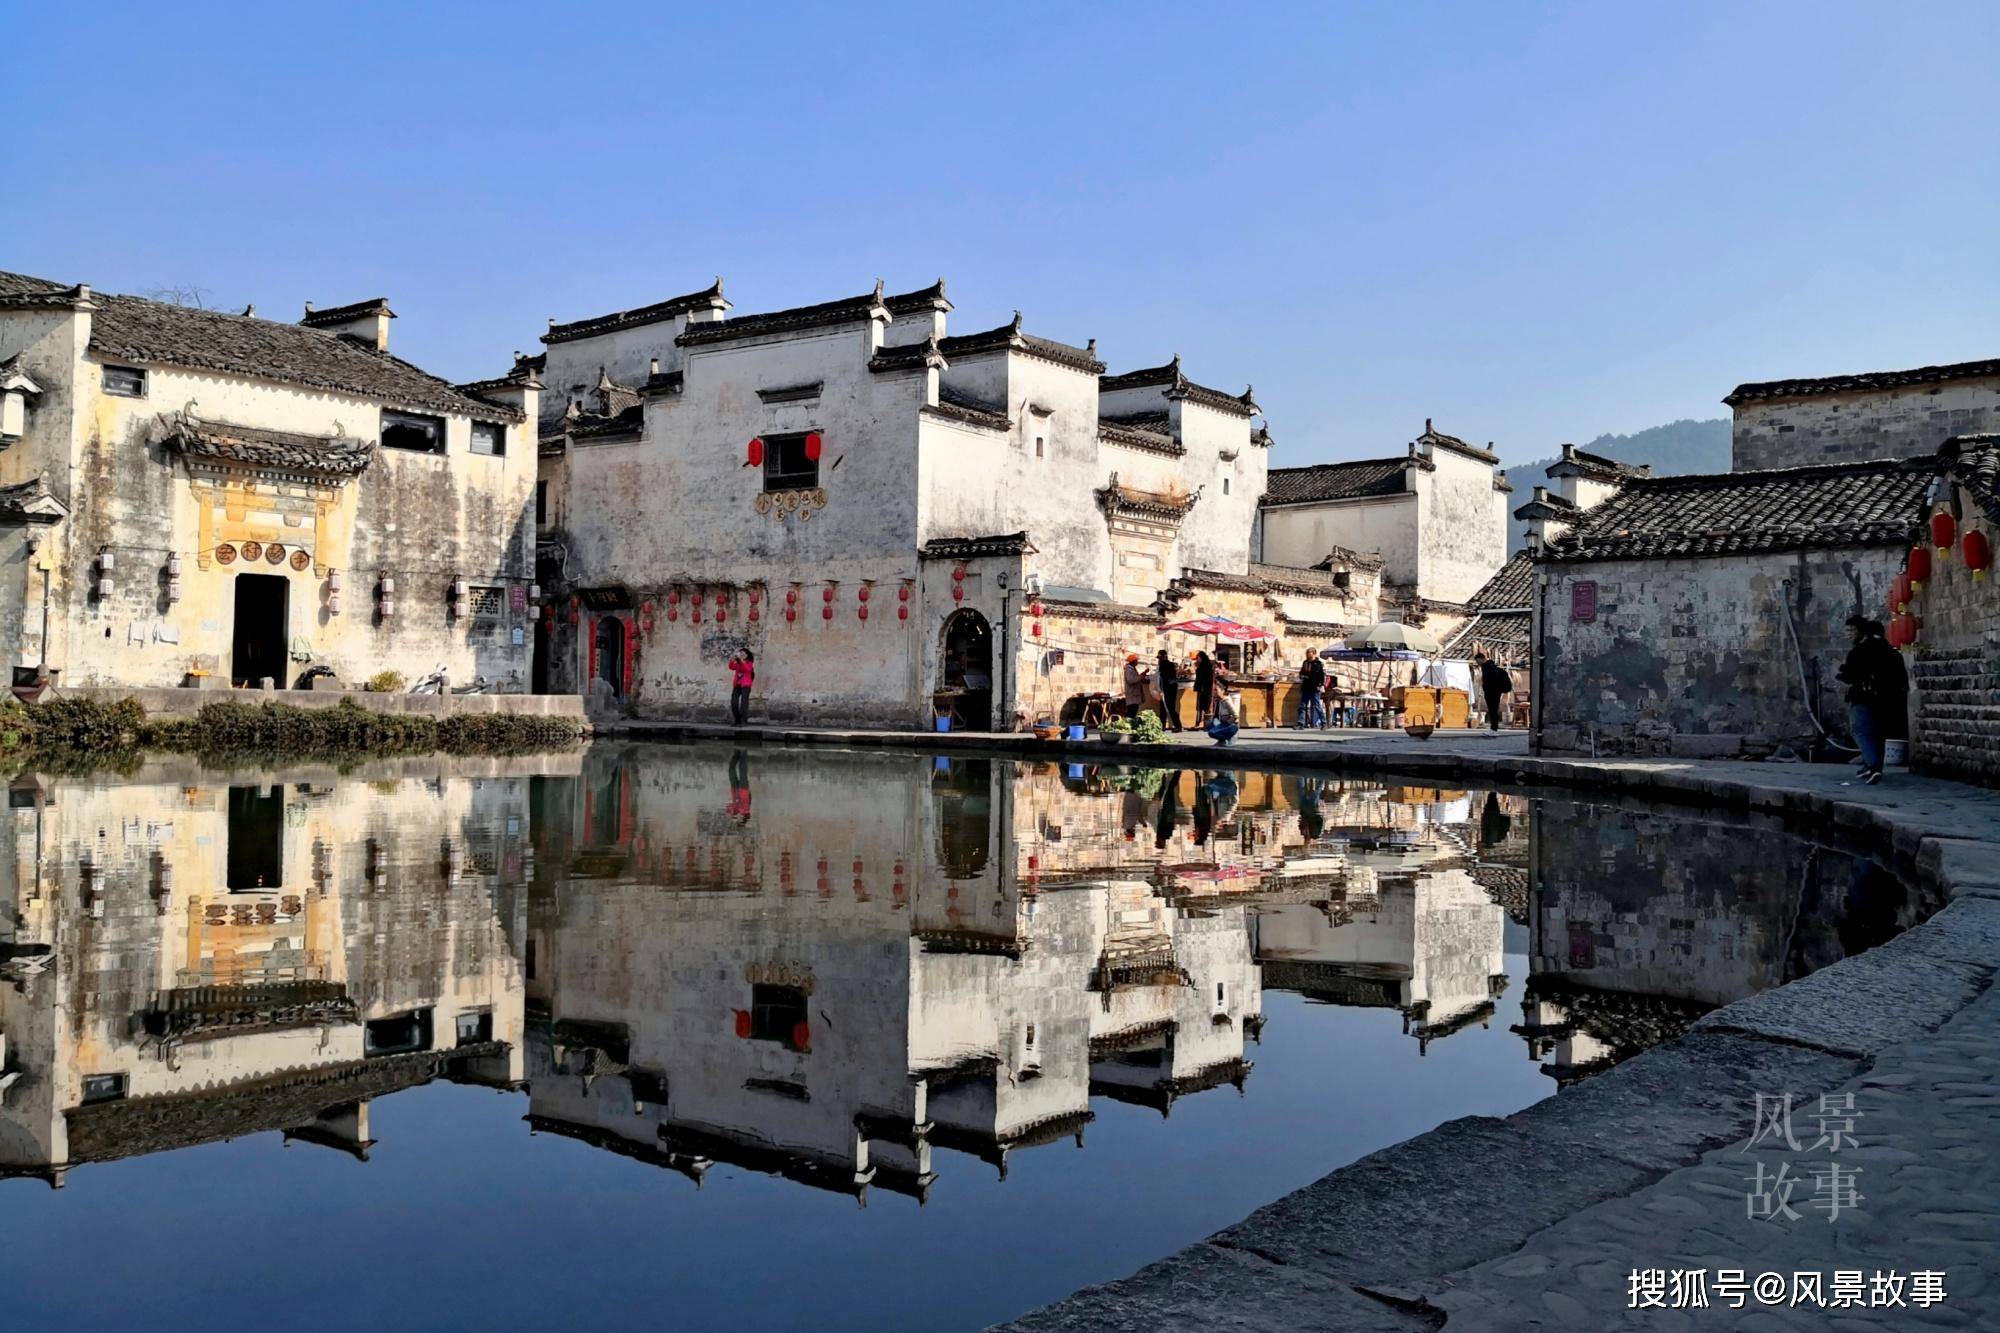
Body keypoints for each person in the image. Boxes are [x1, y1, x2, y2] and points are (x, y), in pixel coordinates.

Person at [1836, 615, 1906, 784]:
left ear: (1863, 632)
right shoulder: (1892, 652)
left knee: (1859, 730)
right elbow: (1901, 678)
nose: (1849, 634)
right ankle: (1873, 766)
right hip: (1887, 699)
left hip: (1864, 696)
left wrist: (1840, 673)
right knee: (1877, 733)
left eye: (1852, 630)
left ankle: (1873, 766)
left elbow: (1852, 674)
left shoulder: (1861, 650)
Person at [1476, 652, 1513, 732]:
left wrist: (1488, 688)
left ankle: (1494, 729)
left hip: (1492, 692)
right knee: (1493, 710)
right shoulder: (1491, 666)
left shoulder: (1487, 667)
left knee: (1493, 710)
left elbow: (1489, 680)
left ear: (1482, 659)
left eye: (1478, 661)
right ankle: (1493, 729)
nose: (1477, 663)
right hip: (1495, 692)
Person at [1295, 648, 1326, 728]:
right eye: (1307, 653)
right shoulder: (1305, 663)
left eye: (1309, 653)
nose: (1307, 654)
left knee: (1317, 706)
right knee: (1302, 706)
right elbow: (1302, 672)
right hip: (1306, 687)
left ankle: (1324, 723)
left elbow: (1320, 676)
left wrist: (1321, 685)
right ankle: (1301, 723)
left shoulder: (1318, 663)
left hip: (1314, 688)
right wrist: (1302, 676)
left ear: (1313, 653)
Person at [1156, 649, 1183, 731]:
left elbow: (1165, 679)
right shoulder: (1169, 665)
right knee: (1165, 709)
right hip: (1169, 689)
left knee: (1169, 708)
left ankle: (1176, 726)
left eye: (1159, 658)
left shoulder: (1164, 665)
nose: (1158, 660)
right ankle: (1163, 726)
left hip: (1167, 690)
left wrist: (1163, 690)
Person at [727, 649, 755, 726]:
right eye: (740, 653)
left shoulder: (749, 662)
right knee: (734, 702)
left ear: (747, 655)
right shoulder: (738, 663)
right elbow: (731, 667)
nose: (741, 654)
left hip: (746, 685)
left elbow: (748, 669)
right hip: (737, 684)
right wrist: (732, 659)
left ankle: (744, 721)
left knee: (744, 704)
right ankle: (737, 720)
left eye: (743, 653)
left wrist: (741, 660)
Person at [1121, 652, 1151, 719]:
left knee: (1133, 711)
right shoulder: (1129, 670)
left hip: (1134, 695)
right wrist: (1141, 676)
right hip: (1132, 694)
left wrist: (1143, 674)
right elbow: (1131, 680)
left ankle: (1130, 724)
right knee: (1131, 711)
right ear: (1133, 661)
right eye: (1136, 660)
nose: (1137, 662)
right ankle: (1128, 725)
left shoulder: (1132, 669)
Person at [1193, 650, 1216, 726]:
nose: (1197, 659)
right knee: (1206, 706)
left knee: (1200, 706)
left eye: (1198, 657)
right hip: (1207, 688)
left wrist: (1197, 667)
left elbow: (1201, 677)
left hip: (1202, 688)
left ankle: (1198, 722)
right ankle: (1206, 723)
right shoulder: (1208, 665)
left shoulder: (1203, 665)